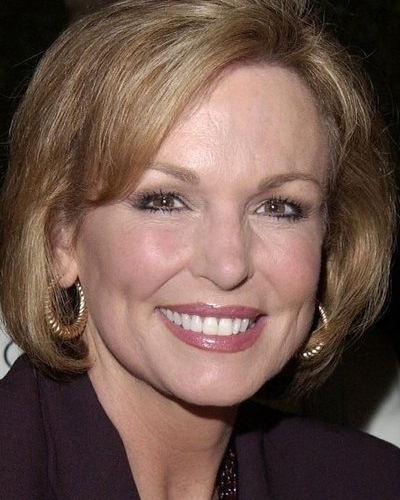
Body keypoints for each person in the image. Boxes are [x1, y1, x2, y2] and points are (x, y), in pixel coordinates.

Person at [0, 1, 399, 498]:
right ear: (62, 237)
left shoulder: (371, 481)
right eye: (165, 201)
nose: (228, 265)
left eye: (279, 207)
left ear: (329, 242)